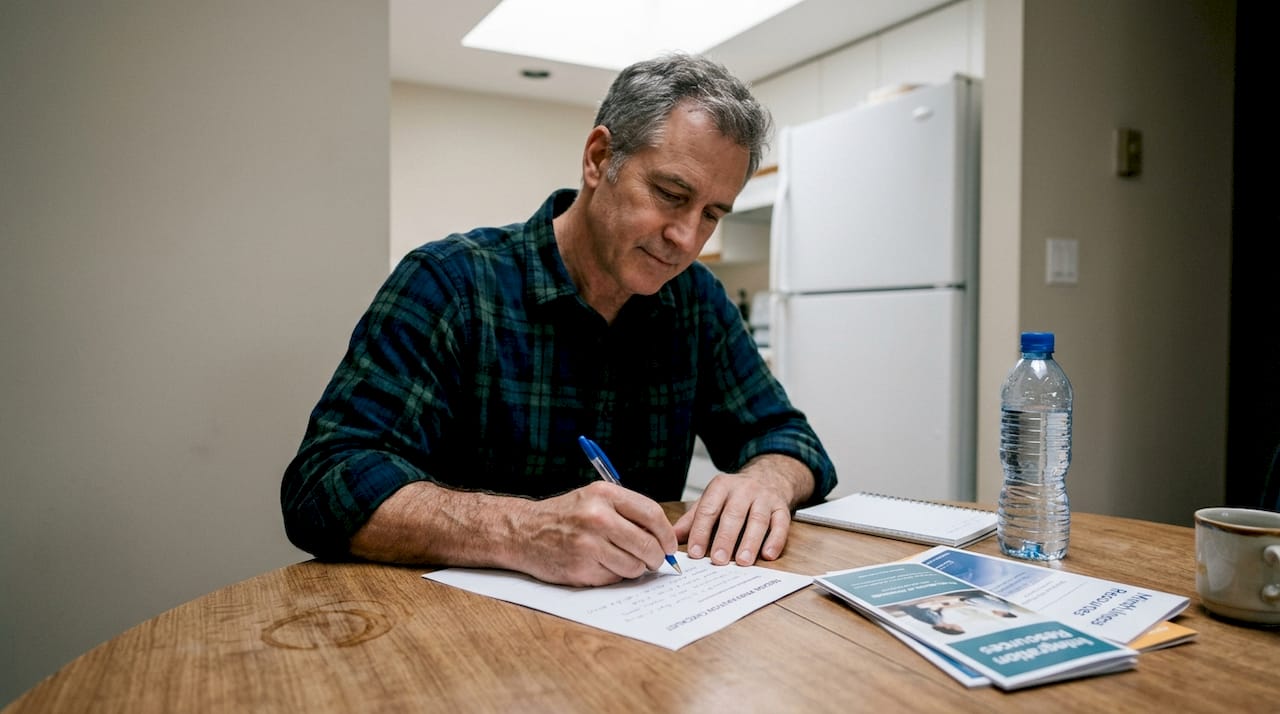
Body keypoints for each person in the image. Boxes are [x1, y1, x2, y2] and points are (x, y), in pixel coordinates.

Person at [280, 53, 836, 587]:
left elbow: (787, 437)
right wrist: (524, 530)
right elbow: (325, 483)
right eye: (670, 194)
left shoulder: (695, 300)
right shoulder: (451, 283)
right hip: (453, 643)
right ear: (599, 159)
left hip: (641, 644)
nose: (687, 239)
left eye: (712, 214)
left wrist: (767, 479)